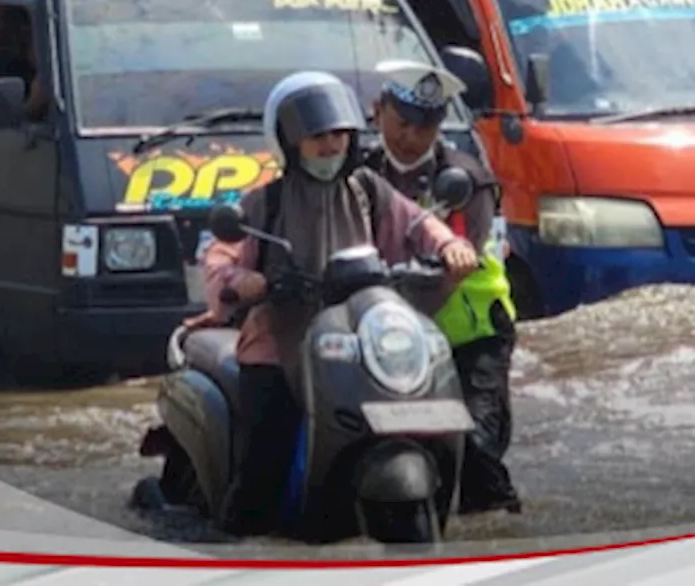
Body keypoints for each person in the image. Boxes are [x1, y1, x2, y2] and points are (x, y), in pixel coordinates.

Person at [186, 70, 479, 536]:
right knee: (267, 451)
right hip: (279, 341)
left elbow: (419, 223)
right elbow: (220, 257)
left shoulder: (366, 189)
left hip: (356, 338)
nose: (330, 146)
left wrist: (449, 247)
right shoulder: (268, 200)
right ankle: (236, 545)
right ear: (289, 141)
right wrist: (245, 281)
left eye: (339, 135)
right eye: (317, 137)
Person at [364, 59, 522, 515]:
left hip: (470, 337)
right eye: (404, 122)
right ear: (378, 111)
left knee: (474, 444)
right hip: (387, 334)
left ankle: (501, 527)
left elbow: (458, 259)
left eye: (427, 125)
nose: (412, 137)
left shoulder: (466, 178)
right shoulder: (357, 174)